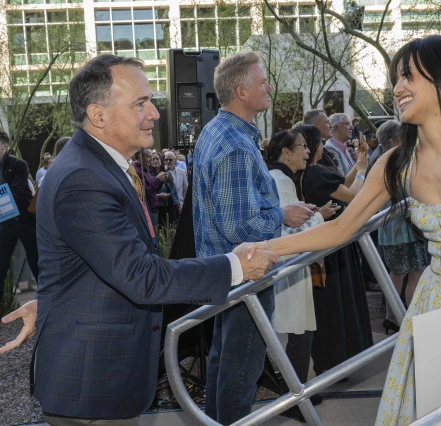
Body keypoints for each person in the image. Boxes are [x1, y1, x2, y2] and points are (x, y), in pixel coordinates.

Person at [244, 35, 441, 424]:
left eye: (409, 76)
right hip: (435, 311)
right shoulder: (397, 163)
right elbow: (340, 229)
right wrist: (266, 246)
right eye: (396, 77)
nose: (397, 88)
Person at [0, 54, 280, 426]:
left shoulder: (98, 165)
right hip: (93, 387)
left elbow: (93, 260)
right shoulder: (83, 178)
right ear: (98, 115)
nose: (155, 114)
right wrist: (236, 266)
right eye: (140, 103)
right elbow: (143, 277)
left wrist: (52, 298)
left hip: (102, 378)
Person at [192, 51, 315, 425]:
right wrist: (283, 214)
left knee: (224, 360)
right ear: (242, 91)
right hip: (244, 274)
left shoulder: (219, 131)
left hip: (225, 272)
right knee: (240, 367)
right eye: (263, 82)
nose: (269, 87)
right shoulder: (234, 145)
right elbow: (239, 228)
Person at [265, 129, 339, 421]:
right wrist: (320, 217)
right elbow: (292, 225)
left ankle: (297, 390)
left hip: (290, 263)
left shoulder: (281, 178)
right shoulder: (280, 180)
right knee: (298, 331)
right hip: (290, 265)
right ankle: (294, 397)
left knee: (299, 330)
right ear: (285, 152)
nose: (307, 152)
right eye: (302, 147)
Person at [295, 123, 374, 378]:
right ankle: (337, 361)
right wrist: (363, 170)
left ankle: (332, 361)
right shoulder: (315, 174)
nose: (315, 148)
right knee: (337, 305)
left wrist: (358, 165)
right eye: (316, 142)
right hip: (333, 247)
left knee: (330, 305)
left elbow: (341, 183)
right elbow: (353, 195)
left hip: (325, 243)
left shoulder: (309, 173)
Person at [375, 120, 430, 335]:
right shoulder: (395, 160)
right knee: (413, 273)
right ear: (394, 141)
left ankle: (394, 318)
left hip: (393, 229)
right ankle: (408, 318)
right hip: (402, 227)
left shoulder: (382, 160)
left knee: (399, 274)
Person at [0, 130, 39, 306]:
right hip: (5, 223)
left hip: (25, 220)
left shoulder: (18, 165)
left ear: (5, 146)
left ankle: (48, 304)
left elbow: (15, 192)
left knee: (37, 262)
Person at [133, 148, 168, 228]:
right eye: (149, 157)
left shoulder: (144, 169)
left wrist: (161, 180)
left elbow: (152, 189)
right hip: (147, 210)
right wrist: (158, 180)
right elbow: (144, 193)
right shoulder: (137, 171)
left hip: (153, 208)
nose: (151, 160)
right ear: (140, 157)